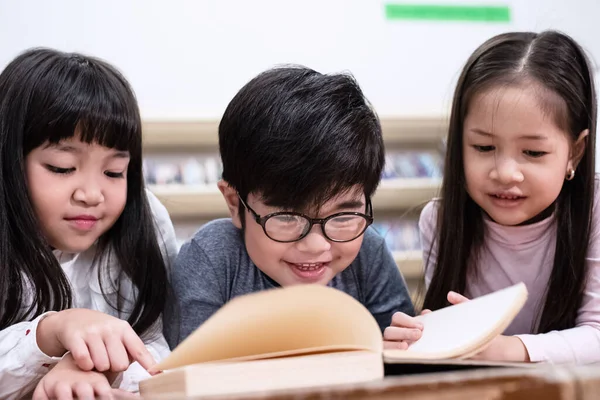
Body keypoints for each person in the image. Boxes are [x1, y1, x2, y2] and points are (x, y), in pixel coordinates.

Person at [384, 30, 600, 364]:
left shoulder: (595, 211)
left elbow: (596, 334)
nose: (505, 172)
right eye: (484, 147)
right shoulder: (439, 220)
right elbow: (457, 342)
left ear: (575, 151)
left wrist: (506, 348)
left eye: (533, 151)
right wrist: (426, 334)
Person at [164, 66, 414, 348]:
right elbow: (187, 376)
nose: (316, 245)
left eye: (343, 215)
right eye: (287, 217)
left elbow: (401, 348)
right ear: (235, 204)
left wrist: (409, 345)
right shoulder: (212, 259)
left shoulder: (368, 253)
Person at [0, 48, 178, 399]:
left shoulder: (147, 221)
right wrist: (49, 335)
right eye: (62, 167)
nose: (92, 194)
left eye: (114, 172)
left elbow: (159, 345)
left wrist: (93, 370)